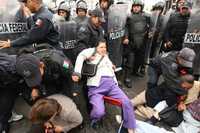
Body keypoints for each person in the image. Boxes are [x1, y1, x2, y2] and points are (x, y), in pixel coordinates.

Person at [72, 39, 136, 133]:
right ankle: (95, 119)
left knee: (127, 103)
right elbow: (81, 56)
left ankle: (130, 128)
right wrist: (77, 72)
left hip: (111, 85)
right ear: (96, 47)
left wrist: (112, 66)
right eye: (101, 47)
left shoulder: (105, 56)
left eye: (105, 47)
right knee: (99, 112)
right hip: (96, 87)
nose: (103, 49)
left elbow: (109, 63)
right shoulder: (92, 52)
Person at [0, 53, 44, 132]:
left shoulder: (26, 62)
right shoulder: (4, 69)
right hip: (4, 82)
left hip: (10, 81)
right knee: (4, 107)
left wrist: (35, 88)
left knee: (8, 102)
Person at [123, 0, 152, 88]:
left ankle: (135, 72)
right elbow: (126, 28)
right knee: (130, 61)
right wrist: (126, 37)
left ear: (141, 7)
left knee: (139, 60)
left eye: (138, 6)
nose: (136, 8)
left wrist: (150, 32)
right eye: (134, 6)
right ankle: (127, 78)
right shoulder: (129, 16)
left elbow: (151, 26)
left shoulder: (146, 16)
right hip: (131, 42)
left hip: (142, 42)